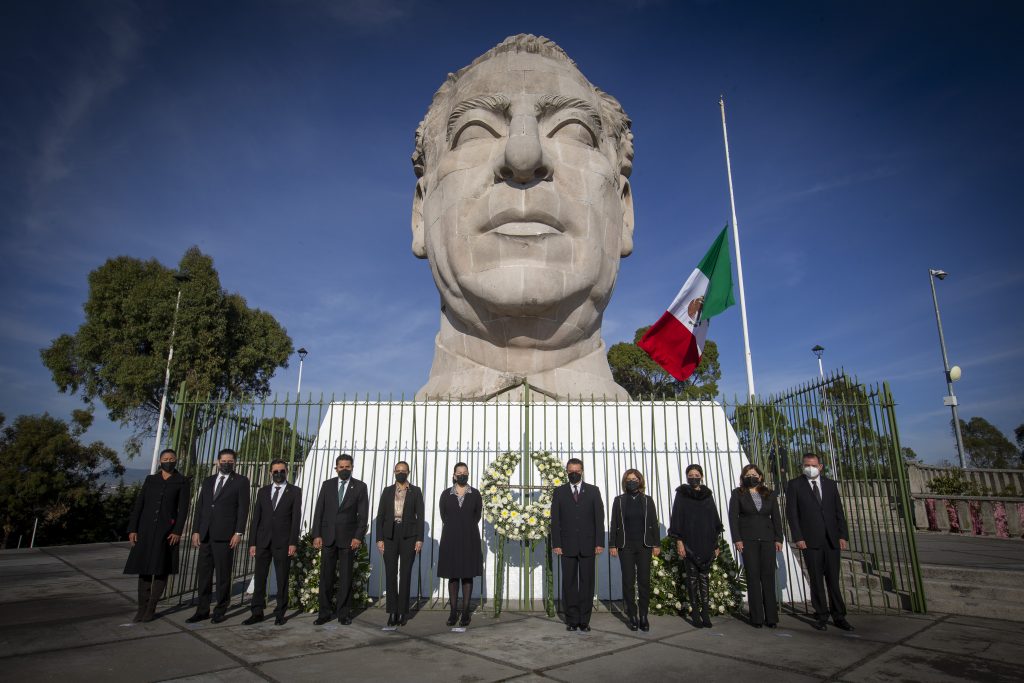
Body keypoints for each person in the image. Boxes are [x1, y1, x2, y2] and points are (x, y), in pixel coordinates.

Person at [410, 34, 637, 401]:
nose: (523, 156)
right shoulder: (373, 438)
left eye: (573, 130)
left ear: (624, 212)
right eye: (474, 130)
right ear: (421, 214)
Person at [785, 452, 854, 632]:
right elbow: (792, 514)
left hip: (831, 539)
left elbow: (839, 512)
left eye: (814, 465)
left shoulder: (830, 485)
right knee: (816, 580)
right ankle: (821, 615)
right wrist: (798, 537)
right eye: (807, 465)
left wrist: (842, 535)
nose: (810, 468)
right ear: (802, 466)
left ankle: (839, 615)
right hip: (810, 540)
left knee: (833, 579)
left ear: (820, 467)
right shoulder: (795, 485)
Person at [124, 448, 189, 622]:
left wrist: (177, 531)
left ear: (176, 460)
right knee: (144, 570)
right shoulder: (151, 479)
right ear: (160, 461)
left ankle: (151, 607)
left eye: (171, 458)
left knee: (161, 569)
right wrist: (133, 528)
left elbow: (183, 510)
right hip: (145, 530)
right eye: (165, 458)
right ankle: (141, 607)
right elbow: (140, 504)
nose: (168, 461)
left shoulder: (182, 481)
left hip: (166, 531)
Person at [187, 448, 251, 623]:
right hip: (205, 534)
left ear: (235, 463)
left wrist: (238, 532)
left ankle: (220, 609)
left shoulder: (241, 481)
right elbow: (200, 508)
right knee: (204, 575)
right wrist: (196, 530)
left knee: (223, 575)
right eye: (223, 461)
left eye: (230, 461)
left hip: (226, 535)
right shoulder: (208, 481)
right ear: (217, 462)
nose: (226, 464)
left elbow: (243, 509)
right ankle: (202, 609)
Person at [311, 453, 369, 625]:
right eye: (341, 467)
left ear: (352, 467)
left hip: (348, 540)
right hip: (328, 537)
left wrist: (358, 537)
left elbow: (363, 515)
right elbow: (319, 511)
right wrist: (317, 534)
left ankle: (343, 613)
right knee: (326, 577)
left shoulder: (360, 487)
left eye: (347, 467)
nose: (344, 469)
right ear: (336, 468)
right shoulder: (327, 485)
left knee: (345, 578)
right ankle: (324, 613)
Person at [550, 457, 605, 632]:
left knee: (587, 583)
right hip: (566, 545)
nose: (574, 473)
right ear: (566, 471)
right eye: (570, 471)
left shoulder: (593, 491)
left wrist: (599, 542)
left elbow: (599, 518)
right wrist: (556, 543)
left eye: (577, 470)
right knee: (569, 583)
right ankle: (572, 620)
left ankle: (584, 620)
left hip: (589, 544)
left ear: (582, 471)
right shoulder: (559, 492)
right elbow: (555, 519)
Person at [245, 459, 301, 626]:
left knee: (282, 578)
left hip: (283, 542)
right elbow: (256, 518)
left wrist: (293, 542)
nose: (278, 474)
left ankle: (280, 613)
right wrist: (252, 542)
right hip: (263, 541)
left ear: (287, 471)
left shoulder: (295, 491)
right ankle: (257, 612)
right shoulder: (263, 491)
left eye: (282, 471)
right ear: (270, 473)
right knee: (260, 577)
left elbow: (295, 519)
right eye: (275, 471)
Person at [728, 464, 784, 629]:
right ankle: (757, 617)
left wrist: (778, 538)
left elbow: (777, 518)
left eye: (754, 474)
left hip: (767, 539)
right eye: (748, 474)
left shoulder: (770, 494)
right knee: (753, 576)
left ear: (760, 477)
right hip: (748, 539)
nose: (751, 477)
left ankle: (771, 617)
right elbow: (733, 517)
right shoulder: (738, 494)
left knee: (768, 576)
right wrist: (737, 539)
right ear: (743, 477)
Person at [669, 463, 723, 628]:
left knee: (704, 578)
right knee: (692, 579)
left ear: (701, 476)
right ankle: (695, 613)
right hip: (689, 542)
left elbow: (713, 517)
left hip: (706, 541)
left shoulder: (707, 494)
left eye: (696, 475)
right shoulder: (682, 494)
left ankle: (705, 612)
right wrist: (679, 541)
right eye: (690, 475)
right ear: (687, 477)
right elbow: (677, 517)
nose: (693, 478)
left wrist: (716, 543)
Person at [609, 468, 661, 632]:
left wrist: (656, 544)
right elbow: (614, 524)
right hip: (625, 546)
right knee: (628, 582)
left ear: (640, 481)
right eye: (629, 479)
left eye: (635, 479)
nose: (632, 481)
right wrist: (612, 545)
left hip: (644, 546)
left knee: (644, 582)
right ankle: (632, 615)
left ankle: (643, 616)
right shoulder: (619, 501)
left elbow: (654, 522)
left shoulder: (647, 500)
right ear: (625, 482)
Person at [376, 461, 425, 627]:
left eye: (403, 471)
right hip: (390, 535)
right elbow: (380, 515)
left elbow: (420, 516)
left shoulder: (416, 491)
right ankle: (392, 612)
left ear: (408, 472)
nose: (401, 473)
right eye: (398, 471)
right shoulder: (387, 491)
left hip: (409, 536)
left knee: (405, 574)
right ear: (394, 472)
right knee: (390, 574)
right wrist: (379, 538)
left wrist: (419, 539)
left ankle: (403, 611)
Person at [436, 462, 483, 627]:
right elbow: (444, 515)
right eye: (459, 472)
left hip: (470, 538)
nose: (462, 475)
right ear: (454, 475)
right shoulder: (445, 494)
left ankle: (465, 613)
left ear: (468, 474)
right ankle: (453, 612)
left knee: (467, 575)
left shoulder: (475, 494)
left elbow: (477, 515)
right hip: (451, 538)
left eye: (465, 472)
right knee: (453, 575)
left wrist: (465, 526)